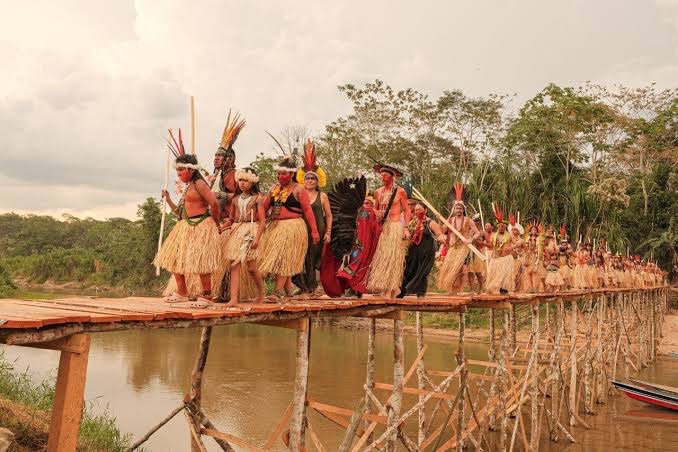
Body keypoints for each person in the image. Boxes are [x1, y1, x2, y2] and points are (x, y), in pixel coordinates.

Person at [154, 130, 222, 308]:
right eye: (177, 171)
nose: (179, 174)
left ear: (191, 170)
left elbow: (214, 203)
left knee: (201, 261)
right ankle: (182, 292)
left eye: (181, 171)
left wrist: (215, 223)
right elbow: (179, 212)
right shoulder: (188, 187)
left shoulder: (199, 183)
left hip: (201, 225)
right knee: (174, 259)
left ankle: (207, 295)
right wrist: (168, 199)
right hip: (184, 226)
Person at [258, 156, 319, 300]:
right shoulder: (274, 189)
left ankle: (278, 291)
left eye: (283, 174)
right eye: (278, 173)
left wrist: (315, 231)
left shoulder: (299, 190)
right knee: (276, 258)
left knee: (284, 258)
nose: (280, 176)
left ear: (291, 174)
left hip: (292, 227)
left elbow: (308, 210)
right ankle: (288, 289)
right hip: (275, 227)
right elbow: (264, 207)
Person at [291, 139, 333, 296]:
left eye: (312, 179)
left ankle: (312, 287)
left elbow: (329, 215)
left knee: (312, 258)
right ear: (303, 180)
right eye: (307, 178)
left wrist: (328, 232)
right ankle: (302, 285)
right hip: (301, 229)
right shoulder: (297, 194)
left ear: (317, 181)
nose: (309, 181)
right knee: (299, 257)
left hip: (317, 230)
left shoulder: (322, 196)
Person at [222, 168, 266, 305]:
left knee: (251, 267)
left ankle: (261, 293)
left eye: (245, 180)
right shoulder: (235, 199)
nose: (242, 183)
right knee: (234, 265)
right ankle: (234, 298)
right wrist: (220, 228)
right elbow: (231, 219)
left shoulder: (257, 199)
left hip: (250, 231)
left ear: (252, 182)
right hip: (237, 231)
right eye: (240, 180)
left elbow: (262, 221)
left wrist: (257, 238)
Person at [366, 163, 411, 298]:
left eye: (385, 175)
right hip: (383, 228)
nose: (382, 177)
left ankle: (391, 288)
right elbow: (375, 208)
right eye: (381, 175)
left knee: (392, 258)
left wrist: (406, 228)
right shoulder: (378, 192)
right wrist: (376, 213)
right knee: (382, 257)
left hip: (395, 226)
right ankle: (390, 288)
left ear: (392, 177)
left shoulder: (400, 191)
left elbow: (407, 210)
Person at [437, 183, 481, 294]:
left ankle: (461, 289)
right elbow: (442, 230)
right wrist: (441, 220)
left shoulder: (468, 220)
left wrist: (471, 240)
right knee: (451, 268)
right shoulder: (450, 220)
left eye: (460, 208)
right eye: (456, 208)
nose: (458, 209)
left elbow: (477, 233)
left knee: (462, 269)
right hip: (453, 248)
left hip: (463, 248)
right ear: (454, 209)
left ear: (463, 209)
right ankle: (452, 289)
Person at [398, 203, 445, 298]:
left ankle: (420, 294)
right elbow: (408, 235)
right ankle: (402, 292)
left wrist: (441, 238)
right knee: (408, 270)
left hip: (426, 252)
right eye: (416, 210)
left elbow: (439, 234)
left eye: (419, 209)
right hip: (413, 251)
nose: (417, 211)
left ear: (425, 210)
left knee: (422, 272)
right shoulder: (412, 222)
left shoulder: (431, 222)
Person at [485, 207, 515, 294]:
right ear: (497, 227)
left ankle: (502, 288)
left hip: (506, 258)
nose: (501, 228)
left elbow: (517, 242)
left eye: (503, 226)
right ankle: (494, 288)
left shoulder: (509, 235)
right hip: (496, 258)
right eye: (499, 226)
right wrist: (482, 243)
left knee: (504, 274)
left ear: (505, 227)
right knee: (495, 274)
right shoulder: (494, 236)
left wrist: (512, 248)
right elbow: (491, 245)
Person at [467, 214, 489, 293]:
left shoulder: (482, 232)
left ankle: (481, 287)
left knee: (478, 272)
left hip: (478, 253)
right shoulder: (469, 231)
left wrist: (480, 243)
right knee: (469, 272)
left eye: (477, 221)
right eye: (474, 221)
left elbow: (489, 244)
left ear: (479, 222)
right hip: (469, 253)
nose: (475, 223)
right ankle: (471, 289)